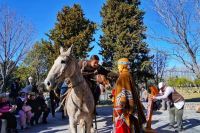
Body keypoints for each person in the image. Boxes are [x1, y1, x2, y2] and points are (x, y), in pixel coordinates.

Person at [113, 58, 146, 133]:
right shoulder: (127, 74)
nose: (118, 67)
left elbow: (124, 92)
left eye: (119, 65)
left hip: (125, 109)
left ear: (123, 65)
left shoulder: (123, 76)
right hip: (129, 107)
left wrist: (121, 108)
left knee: (126, 129)